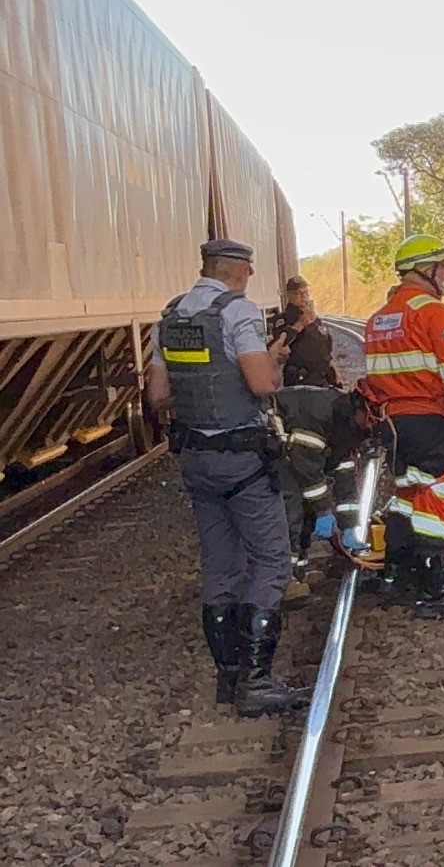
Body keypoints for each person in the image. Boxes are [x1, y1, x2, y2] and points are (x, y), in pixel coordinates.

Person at [146, 239, 308, 718]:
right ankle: (257, 682)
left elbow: (158, 395)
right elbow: (261, 385)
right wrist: (274, 361)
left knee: (220, 567)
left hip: (196, 457)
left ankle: (229, 678)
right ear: (239, 271)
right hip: (241, 457)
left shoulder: (171, 317)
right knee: (273, 562)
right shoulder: (238, 314)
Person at [364, 233, 444, 619]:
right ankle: (432, 593)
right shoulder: (437, 314)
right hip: (430, 419)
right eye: (443, 266)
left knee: (405, 496)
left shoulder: (378, 319)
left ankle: (394, 579)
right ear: (425, 269)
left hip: (393, 422)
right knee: (435, 501)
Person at [272, 380, 383, 570]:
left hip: (296, 452)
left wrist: (348, 524)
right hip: (276, 444)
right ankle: (284, 574)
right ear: (361, 408)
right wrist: (323, 510)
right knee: (293, 504)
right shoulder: (320, 414)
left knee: (307, 508)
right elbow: (306, 466)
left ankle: (298, 569)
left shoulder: (348, 425)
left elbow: (344, 471)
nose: (371, 426)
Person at [271, 276, 339, 388]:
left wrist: (333, 366)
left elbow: (324, 344)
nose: (303, 297)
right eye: (298, 293)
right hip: (300, 378)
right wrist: (300, 324)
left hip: (322, 378)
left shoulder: (314, 318)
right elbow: (279, 344)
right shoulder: (283, 319)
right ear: (289, 294)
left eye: (306, 292)